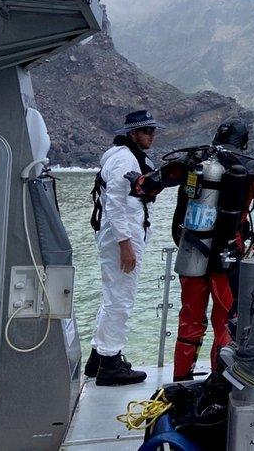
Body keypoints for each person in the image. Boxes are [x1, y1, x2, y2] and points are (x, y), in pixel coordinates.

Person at [125, 118, 254, 381]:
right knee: (226, 322)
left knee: (190, 320)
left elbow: (149, 184)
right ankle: (218, 383)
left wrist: (136, 181)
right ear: (243, 142)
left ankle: (181, 380)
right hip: (229, 258)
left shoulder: (193, 162)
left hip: (192, 254)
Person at [84, 109, 163, 386]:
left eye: (153, 131)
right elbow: (114, 204)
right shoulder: (125, 159)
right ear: (133, 134)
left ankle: (98, 356)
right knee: (121, 299)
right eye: (147, 131)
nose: (152, 136)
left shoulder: (121, 155)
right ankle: (110, 365)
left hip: (121, 235)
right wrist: (125, 245)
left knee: (112, 296)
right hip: (122, 237)